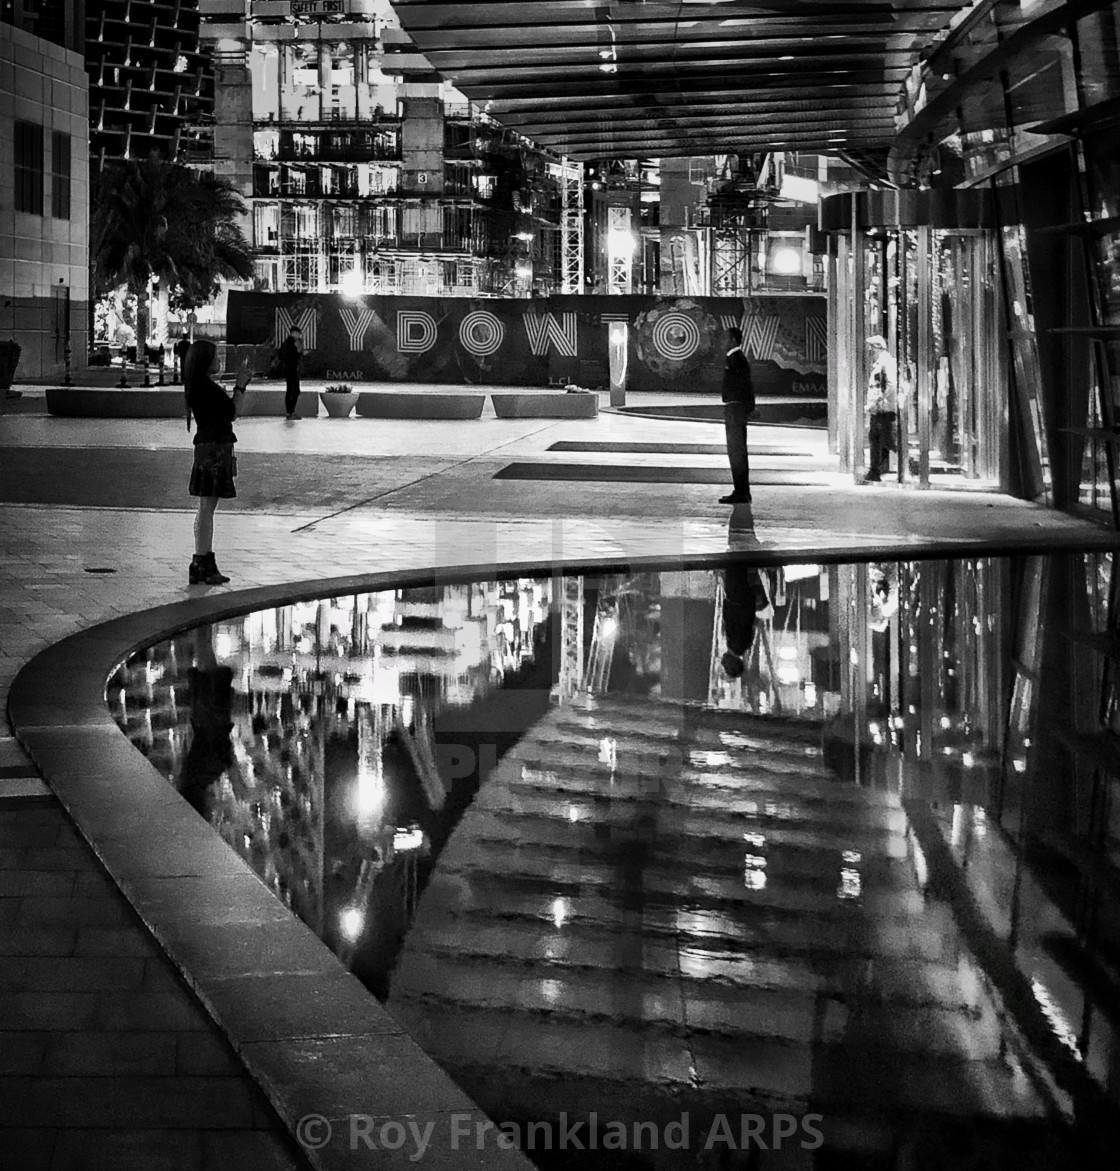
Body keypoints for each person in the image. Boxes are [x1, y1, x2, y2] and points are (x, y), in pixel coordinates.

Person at [184, 340, 250, 585]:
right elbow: (233, 412)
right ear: (206, 361)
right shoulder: (207, 388)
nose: (219, 361)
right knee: (207, 508)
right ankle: (203, 561)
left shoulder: (199, 386)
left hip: (208, 447)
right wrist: (240, 386)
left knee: (205, 508)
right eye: (215, 357)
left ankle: (202, 561)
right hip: (214, 450)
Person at [719, 326, 755, 504]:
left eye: (725, 338)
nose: (722, 342)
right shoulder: (734, 358)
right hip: (734, 408)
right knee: (735, 452)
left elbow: (743, 386)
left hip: (735, 410)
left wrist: (739, 408)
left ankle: (742, 491)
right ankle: (740, 489)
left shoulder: (737, 359)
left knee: (737, 451)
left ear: (733, 339)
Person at [720, 562, 767, 679]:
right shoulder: (737, 644)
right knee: (734, 568)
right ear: (732, 664)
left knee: (738, 570)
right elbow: (736, 619)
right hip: (737, 599)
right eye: (726, 666)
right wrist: (729, 604)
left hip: (741, 600)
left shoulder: (742, 645)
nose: (722, 663)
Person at [864, 335, 899, 482]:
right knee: (877, 439)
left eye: (871, 347)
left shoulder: (886, 362)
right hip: (878, 408)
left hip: (882, 409)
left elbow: (891, 384)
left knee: (884, 439)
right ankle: (875, 470)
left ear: (878, 347)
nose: (869, 350)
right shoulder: (880, 362)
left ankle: (876, 470)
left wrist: (880, 399)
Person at [278, 324, 303, 420]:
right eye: (298, 334)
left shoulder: (285, 343)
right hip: (292, 369)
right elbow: (294, 357)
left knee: (290, 391)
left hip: (288, 369)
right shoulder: (292, 344)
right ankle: (290, 412)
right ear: (294, 333)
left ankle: (289, 412)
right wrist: (299, 351)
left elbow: (280, 356)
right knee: (295, 391)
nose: (299, 336)